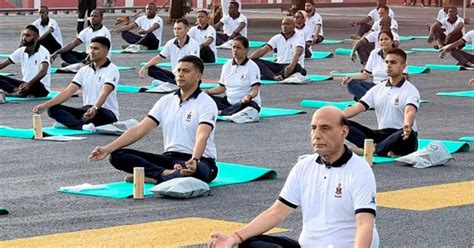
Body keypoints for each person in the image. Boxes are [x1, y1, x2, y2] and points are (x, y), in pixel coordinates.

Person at [209, 106, 378, 248]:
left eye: (325, 128)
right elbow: (276, 213)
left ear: (344, 132)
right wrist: (234, 238)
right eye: (313, 128)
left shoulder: (359, 170)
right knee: (250, 244)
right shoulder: (304, 166)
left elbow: (364, 224)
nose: (317, 135)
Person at [89, 55, 218, 185]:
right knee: (117, 156)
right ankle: (163, 174)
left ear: (198, 76)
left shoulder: (206, 103)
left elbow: (202, 135)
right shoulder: (166, 101)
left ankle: (156, 176)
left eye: (186, 71)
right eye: (178, 70)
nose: (180, 74)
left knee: (198, 171)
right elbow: (140, 129)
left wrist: (194, 159)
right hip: (170, 159)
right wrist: (107, 149)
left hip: (200, 160)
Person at [343, 48, 420, 157]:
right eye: (387, 62)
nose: (388, 65)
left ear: (403, 67)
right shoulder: (377, 89)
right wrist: (336, 116)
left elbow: (410, 111)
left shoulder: (410, 90)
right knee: (341, 123)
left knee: (406, 133)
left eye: (393, 62)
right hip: (383, 135)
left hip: (404, 137)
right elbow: (357, 108)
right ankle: (374, 148)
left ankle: (374, 149)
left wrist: (407, 124)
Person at [33, 36, 119, 131]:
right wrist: (45, 105)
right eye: (91, 48)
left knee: (92, 110)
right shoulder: (84, 70)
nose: (92, 51)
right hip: (87, 112)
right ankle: (81, 126)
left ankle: (71, 123)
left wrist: (95, 108)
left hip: (106, 113)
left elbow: (104, 92)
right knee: (52, 109)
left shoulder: (112, 70)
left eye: (96, 48)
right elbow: (68, 92)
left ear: (105, 51)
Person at [204, 36, 261, 123]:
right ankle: (228, 111)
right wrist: (207, 92)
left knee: (250, 107)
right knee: (204, 98)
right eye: (233, 47)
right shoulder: (227, 65)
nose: (235, 50)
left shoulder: (252, 67)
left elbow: (255, 90)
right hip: (228, 102)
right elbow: (221, 88)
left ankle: (222, 112)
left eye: (238, 48)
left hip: (245, 103)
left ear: (246, 50)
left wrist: (248, 97)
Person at [139, 18, 199, 92]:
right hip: (175, 76)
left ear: (186, 29)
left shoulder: (193, 44)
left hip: (188, 76)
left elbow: (195, 65)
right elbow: (159, 57)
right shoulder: (170, 43)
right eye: (175, 29)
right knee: (151, 69)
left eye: (179, 29)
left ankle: (173, 83)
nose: (176, 31)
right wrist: (145, 66)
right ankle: (174, 83)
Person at [344, 31, 404, 101]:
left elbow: (403, 78)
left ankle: (367, 100)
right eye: (381, 40)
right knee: (352, 84)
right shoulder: (374, 53)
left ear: (392, 41)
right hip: (375, 87)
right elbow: (366, 75)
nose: (383, 41)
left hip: (390, 88)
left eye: (386, 39)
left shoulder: (399, 55)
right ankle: (371, 100)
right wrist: (351, 77)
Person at [249, 17, 307, 82]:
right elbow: (262, 51)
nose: (284, 26)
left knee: (297, 67)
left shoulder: (299, 38)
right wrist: (247, 60)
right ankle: (274, 76)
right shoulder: (277, 37)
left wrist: (291, 66)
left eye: (287, 24)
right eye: (283, 24)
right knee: (255, 61)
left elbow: (297, 53)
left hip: (291, 65)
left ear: (294, 26)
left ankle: (268, 75)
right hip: (278, 65)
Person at [0, 25, 50, 98]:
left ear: (36, 37)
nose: (24, 38)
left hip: (40, 87)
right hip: (24, 85)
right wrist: (26, 85)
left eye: (28, 35)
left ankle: (18, 93)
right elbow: (2, 65)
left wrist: (29, 84)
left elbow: (43, 71)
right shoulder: (21, 51)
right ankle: (16, 91)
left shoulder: (43, 51)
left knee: (35, 84)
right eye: (23, 35)